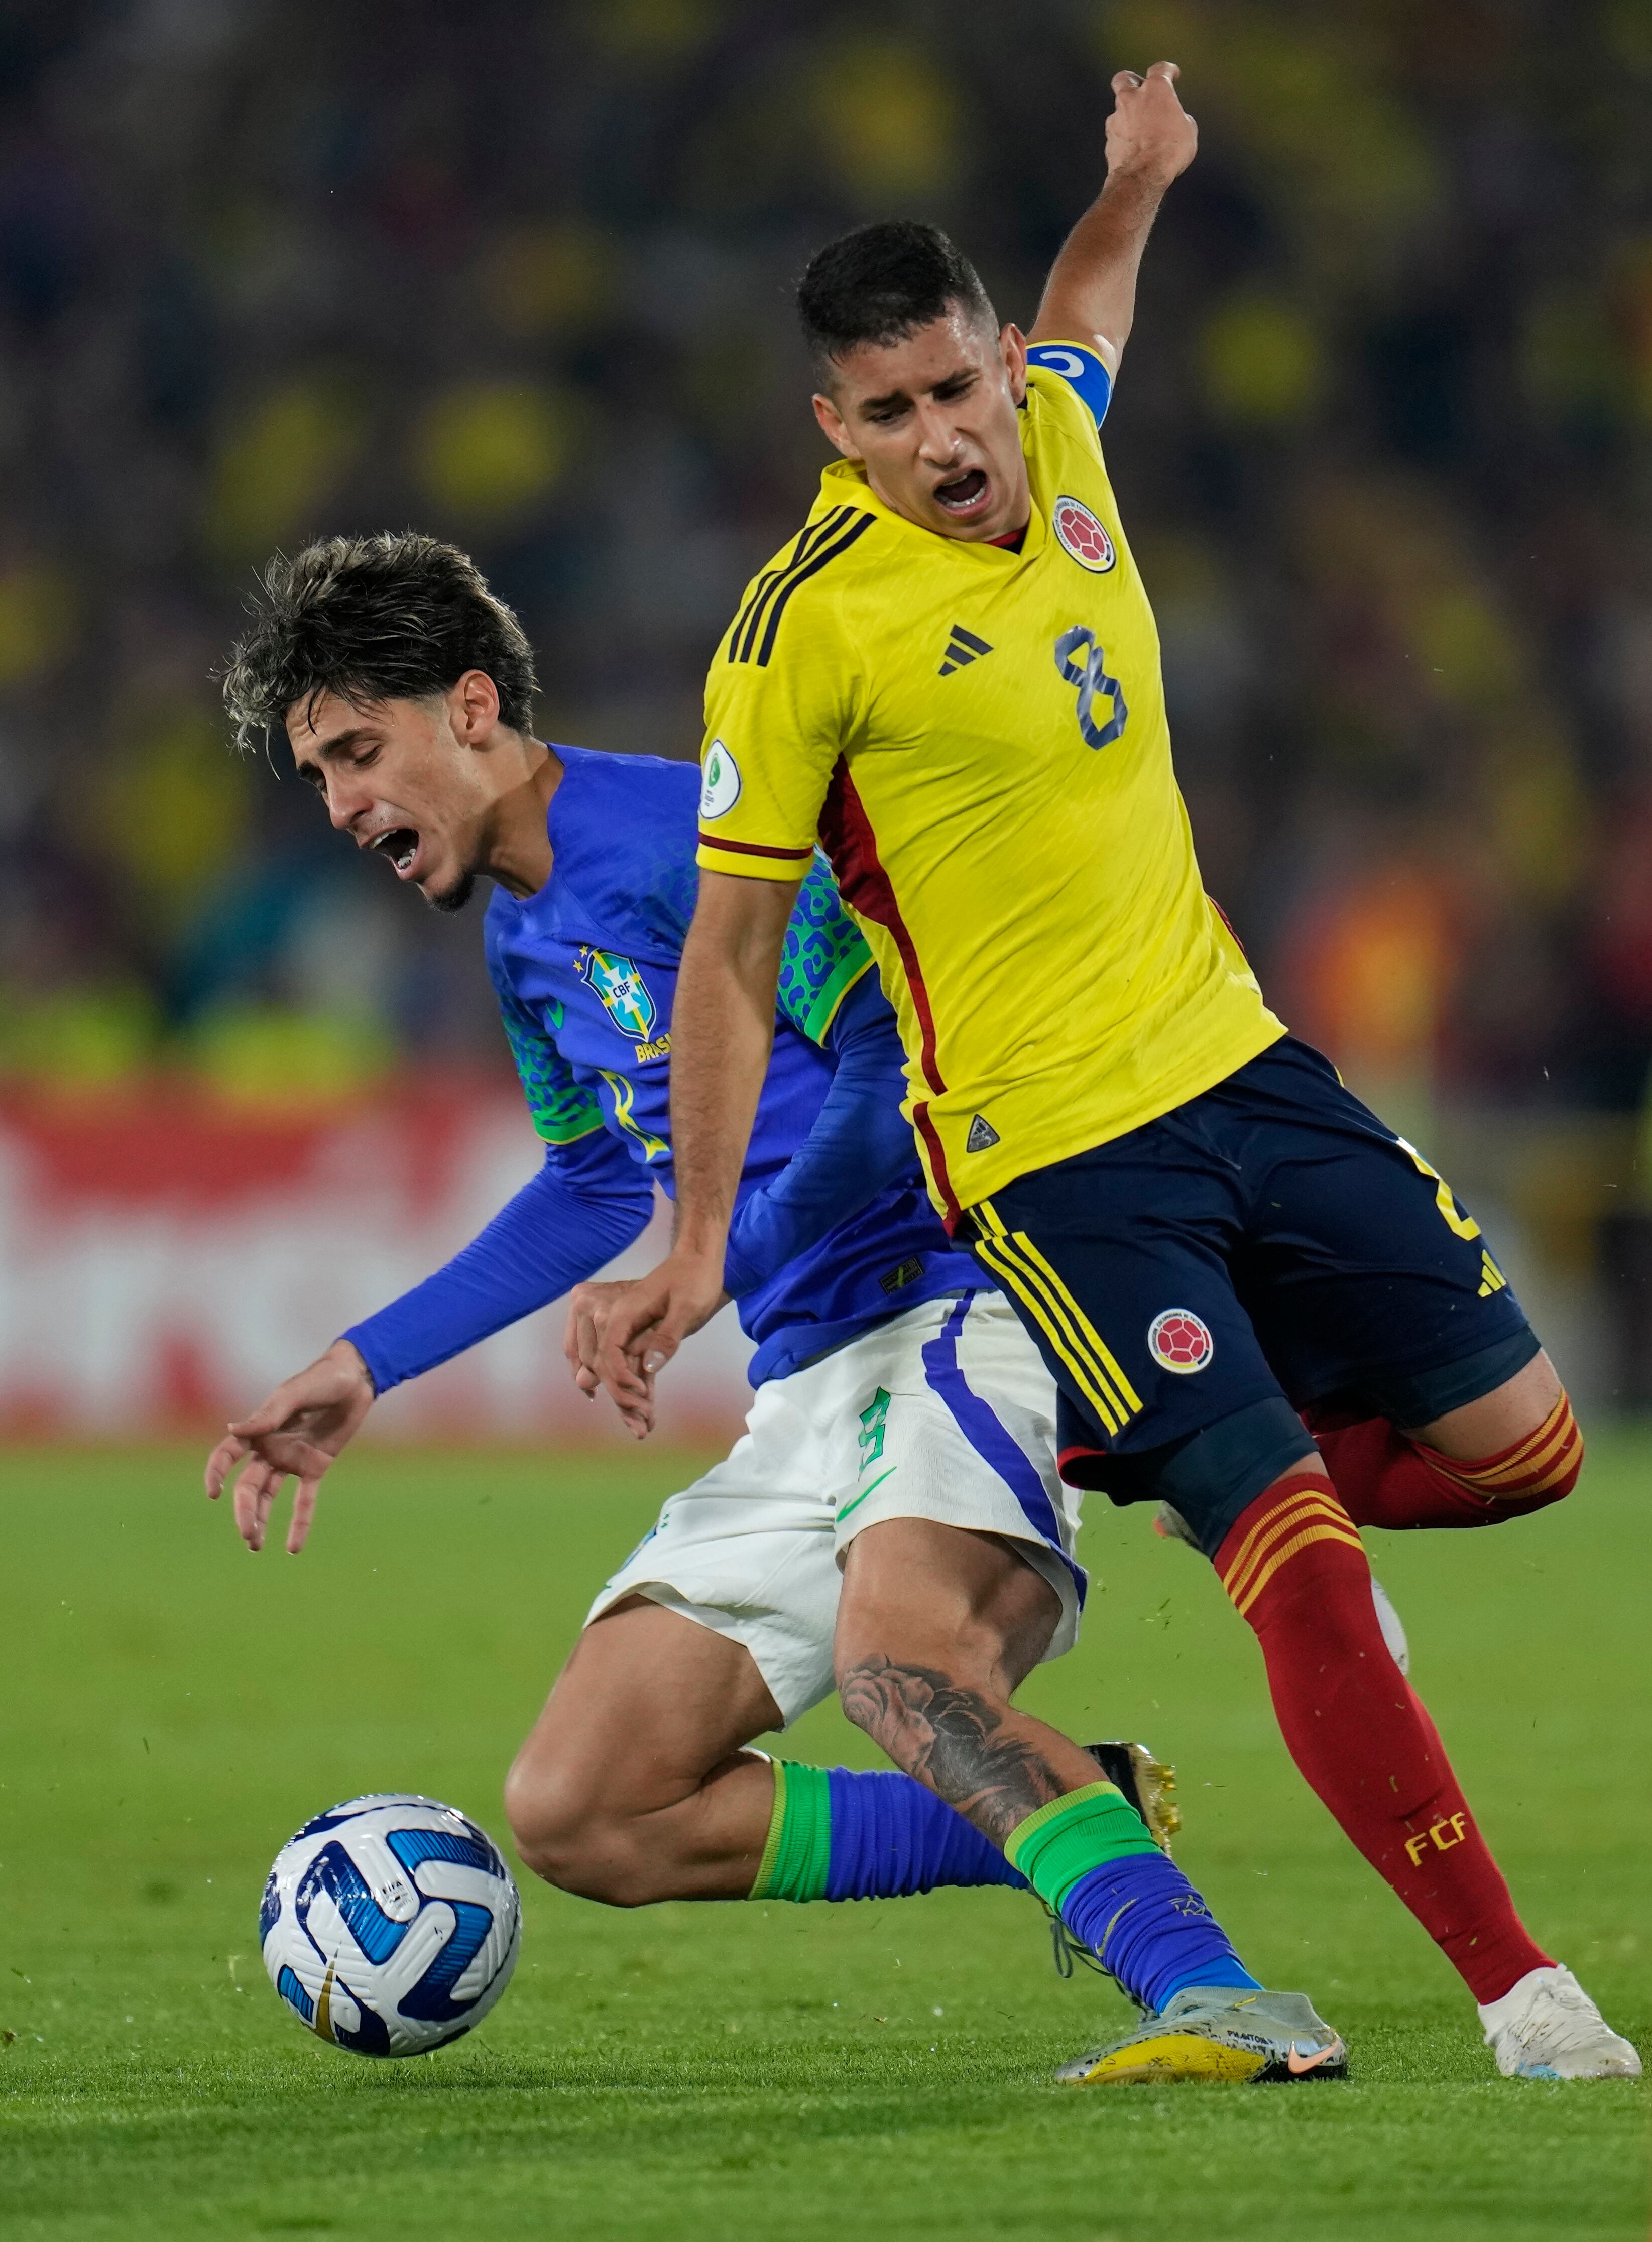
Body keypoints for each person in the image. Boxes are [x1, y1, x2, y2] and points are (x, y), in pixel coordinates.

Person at [593, 62, 1638, 2083]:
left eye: (954, 391)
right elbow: (728, 953)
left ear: (994, 370)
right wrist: (692, 1233)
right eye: (884, 415)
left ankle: (1145, 1459)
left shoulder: (1060, 427)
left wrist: (1136, 179)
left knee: (1525, 1448)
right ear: (832, 428)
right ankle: (1521, 1988)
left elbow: (1094, 310)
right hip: (1061, 1162)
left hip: (1243, 1065)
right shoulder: (800, 631)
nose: (939, 439)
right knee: (1298, 1558)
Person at [204, 529, 1347, 2088]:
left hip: (955, 1309)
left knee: (907, 1666)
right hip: (813, 1379)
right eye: (319, 776)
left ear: (471, 707)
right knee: (584, 1807)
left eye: (356, 753)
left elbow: (888, 1058)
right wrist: (364, 1363)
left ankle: (1224, 2001)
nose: (340, 808)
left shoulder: (692, 836)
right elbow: (601, 1183)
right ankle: (1071, 1803)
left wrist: (713, 1257)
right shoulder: (524, 932)